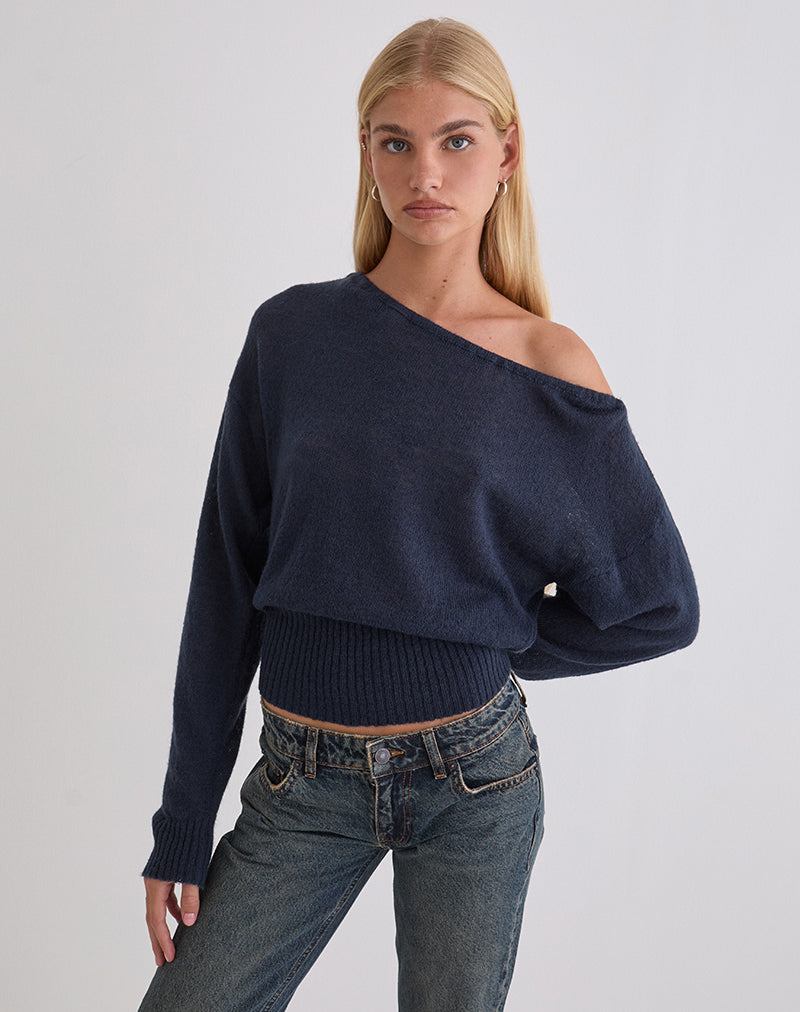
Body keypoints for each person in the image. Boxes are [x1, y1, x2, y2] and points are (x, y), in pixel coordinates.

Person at [139, 17, 699, 1011]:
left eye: (456, 140)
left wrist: (484, 637)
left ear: (506, 154)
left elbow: (658, 606)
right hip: (302, 780)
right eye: (395, 142)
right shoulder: (291, 336)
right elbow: (225, 583)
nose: (424, 173)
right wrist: (183, 823)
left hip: (473, 778)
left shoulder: (548, 366)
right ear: (365, 153)